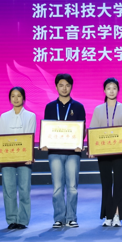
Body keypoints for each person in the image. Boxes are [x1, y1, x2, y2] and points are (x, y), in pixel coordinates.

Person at [42, 74, 86, 228]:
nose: (64, 88)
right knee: (57, 188)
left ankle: (71, 217)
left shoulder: (78, 107)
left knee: (72, 187)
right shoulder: (49, 107)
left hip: (73, 153)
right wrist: (45, 143)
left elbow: (82, 129)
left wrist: (80, 142)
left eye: (67, 85)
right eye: (61, 85)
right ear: (56, 87)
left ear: (71, 87)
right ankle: (59, 218)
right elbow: (47, 129)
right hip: (54, 152)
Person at [88, 78, 122, 227]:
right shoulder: (98, 109)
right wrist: (92, 149)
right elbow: (93, 131)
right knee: (106, 183)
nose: (111, 91)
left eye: (114, 88)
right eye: (108, 88)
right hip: (103, 152)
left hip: (120, 152)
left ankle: (117, 215)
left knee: (119, 184)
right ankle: (108, 215)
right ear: (104, 91)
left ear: (118, 90)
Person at [0, 87, 36, 229]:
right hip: (7, 158)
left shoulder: (30, 116)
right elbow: (0, 138)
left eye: (19, 96)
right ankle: (12, 219)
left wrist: (29, 155)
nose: (16, 99)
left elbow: (30, 136)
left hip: (24, 158)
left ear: (23, 98)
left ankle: (22, 220)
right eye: (13, 96)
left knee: (24, 189)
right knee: (9, 189)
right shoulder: (4, 116)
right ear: (10, 98)